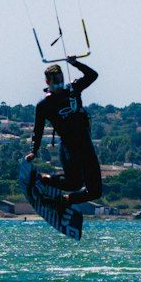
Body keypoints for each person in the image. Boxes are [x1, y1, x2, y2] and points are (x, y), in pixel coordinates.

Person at [25, 56, 102, 209]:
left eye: (61, 81)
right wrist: (34, 151)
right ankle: (40, 180)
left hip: (86, 147)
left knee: (95, 192)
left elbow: (93, 75)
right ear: (47, 82)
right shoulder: (44, 105)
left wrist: (75, 63)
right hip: (69, 148)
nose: (60, 85)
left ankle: (64, 201)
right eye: (56, 82)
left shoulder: (73, 89)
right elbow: (38, 130)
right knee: (73, 183)